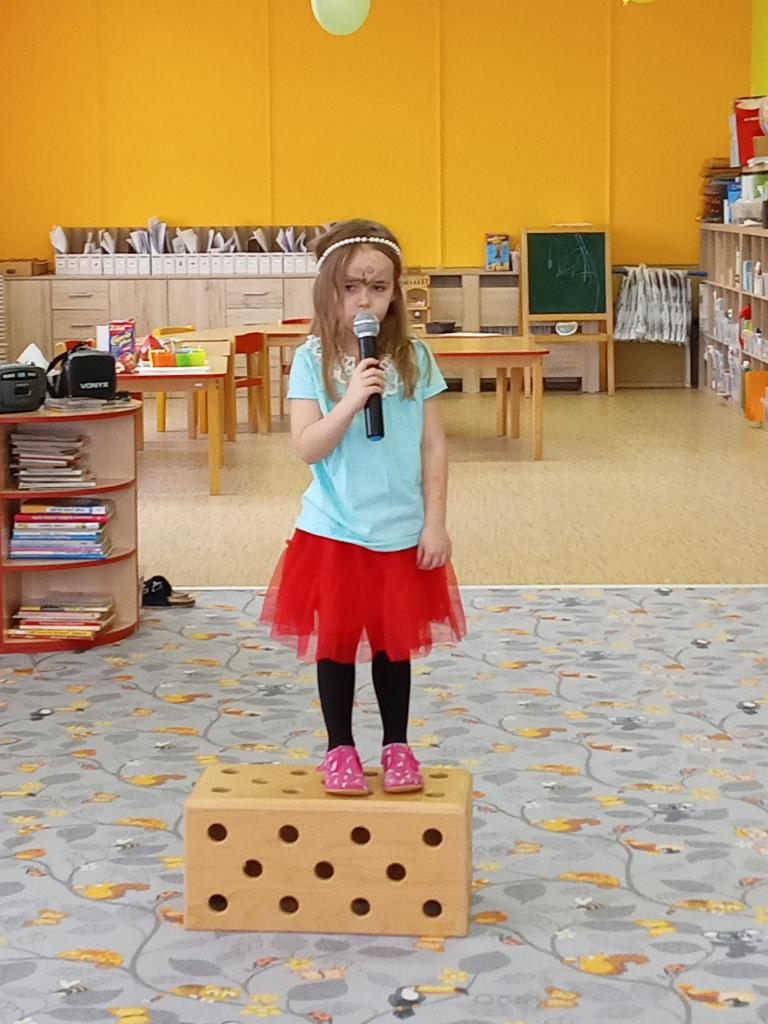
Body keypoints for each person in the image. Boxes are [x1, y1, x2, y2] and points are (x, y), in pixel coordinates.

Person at [260, 218, 466, 797]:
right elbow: (308, 446)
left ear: (395, 293)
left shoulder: (414, 357)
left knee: (393, 646)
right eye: (350, 287)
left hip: (400, 528)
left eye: (377, 287)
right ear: (328, 290)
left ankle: (397, 745)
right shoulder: (311, 359)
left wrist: (435, 522)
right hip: (335, 530)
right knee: (336, 644)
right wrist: (352, 399)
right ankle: (340, 748)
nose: (364, 300)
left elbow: (433, 445)